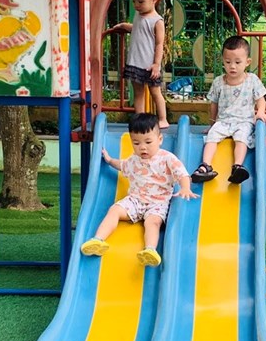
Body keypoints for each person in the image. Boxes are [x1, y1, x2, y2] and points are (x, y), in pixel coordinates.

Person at [80, 113, 197, 266]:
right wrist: (109, 160)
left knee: (153, 222)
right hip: (135, 201)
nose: (142, 147)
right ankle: (98, 240)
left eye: (148, 142)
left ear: (160, 139)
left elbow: (182, 174)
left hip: (158, 203)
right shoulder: (134, 160)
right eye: (136, 143)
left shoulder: (167, 158)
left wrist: (185, 188)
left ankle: (150, 250)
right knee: (114, 210)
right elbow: (121, 165)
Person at [191, 35, 266, 184]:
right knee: (212, 137)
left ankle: (237, 167)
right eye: (228, 62)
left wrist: (260, 112)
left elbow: (261, 99)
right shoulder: (218, 82)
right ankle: (205, 166)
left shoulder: (252, 80)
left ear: (247, 62)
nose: (232, 66)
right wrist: (212, 123)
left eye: (237, 62)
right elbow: (213, 104)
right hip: (223, 121)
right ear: (223, 61)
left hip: (244, 121)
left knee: (242, 138)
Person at [112, 0, 169, 129]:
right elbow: (138, 29)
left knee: (155, 92)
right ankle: (139, 120)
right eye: (134, 1)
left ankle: (163, 119)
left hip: (149, 65)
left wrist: (156, 64)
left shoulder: (157, 21)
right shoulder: (138, 15)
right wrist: (125, 26)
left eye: (140, 1)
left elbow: (159, 44)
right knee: (138, 93)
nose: (136, 5)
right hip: (135, 63)